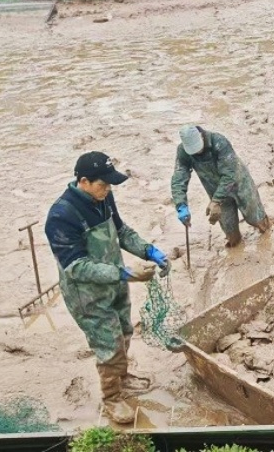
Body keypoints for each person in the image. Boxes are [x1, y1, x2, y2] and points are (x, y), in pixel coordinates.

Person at [45, 151, 170, 424]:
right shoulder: (61, 216)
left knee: (124, 330)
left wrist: (148, 251)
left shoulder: (103, 197)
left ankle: (122, 376)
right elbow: (75, 267)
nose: (108, 189)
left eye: (110, 184)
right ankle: (112, 397)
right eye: (103, 184)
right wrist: (125, 272)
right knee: (108, 344)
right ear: (84, 181)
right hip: (87, 294)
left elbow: (121, 231)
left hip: (114, 282)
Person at [171, 125, 271, 247]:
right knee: (229, 229)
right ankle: (236, 246)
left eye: (198, 148)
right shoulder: (183, 151)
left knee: (255, 217)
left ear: (201, 136)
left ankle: (267, 236)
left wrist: (216, 201)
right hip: (214, 188)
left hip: (239, 182)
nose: (197, 152)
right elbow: (179, 178)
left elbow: (230, 174)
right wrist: (181, 205)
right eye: (193, 151)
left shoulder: (219, 142)